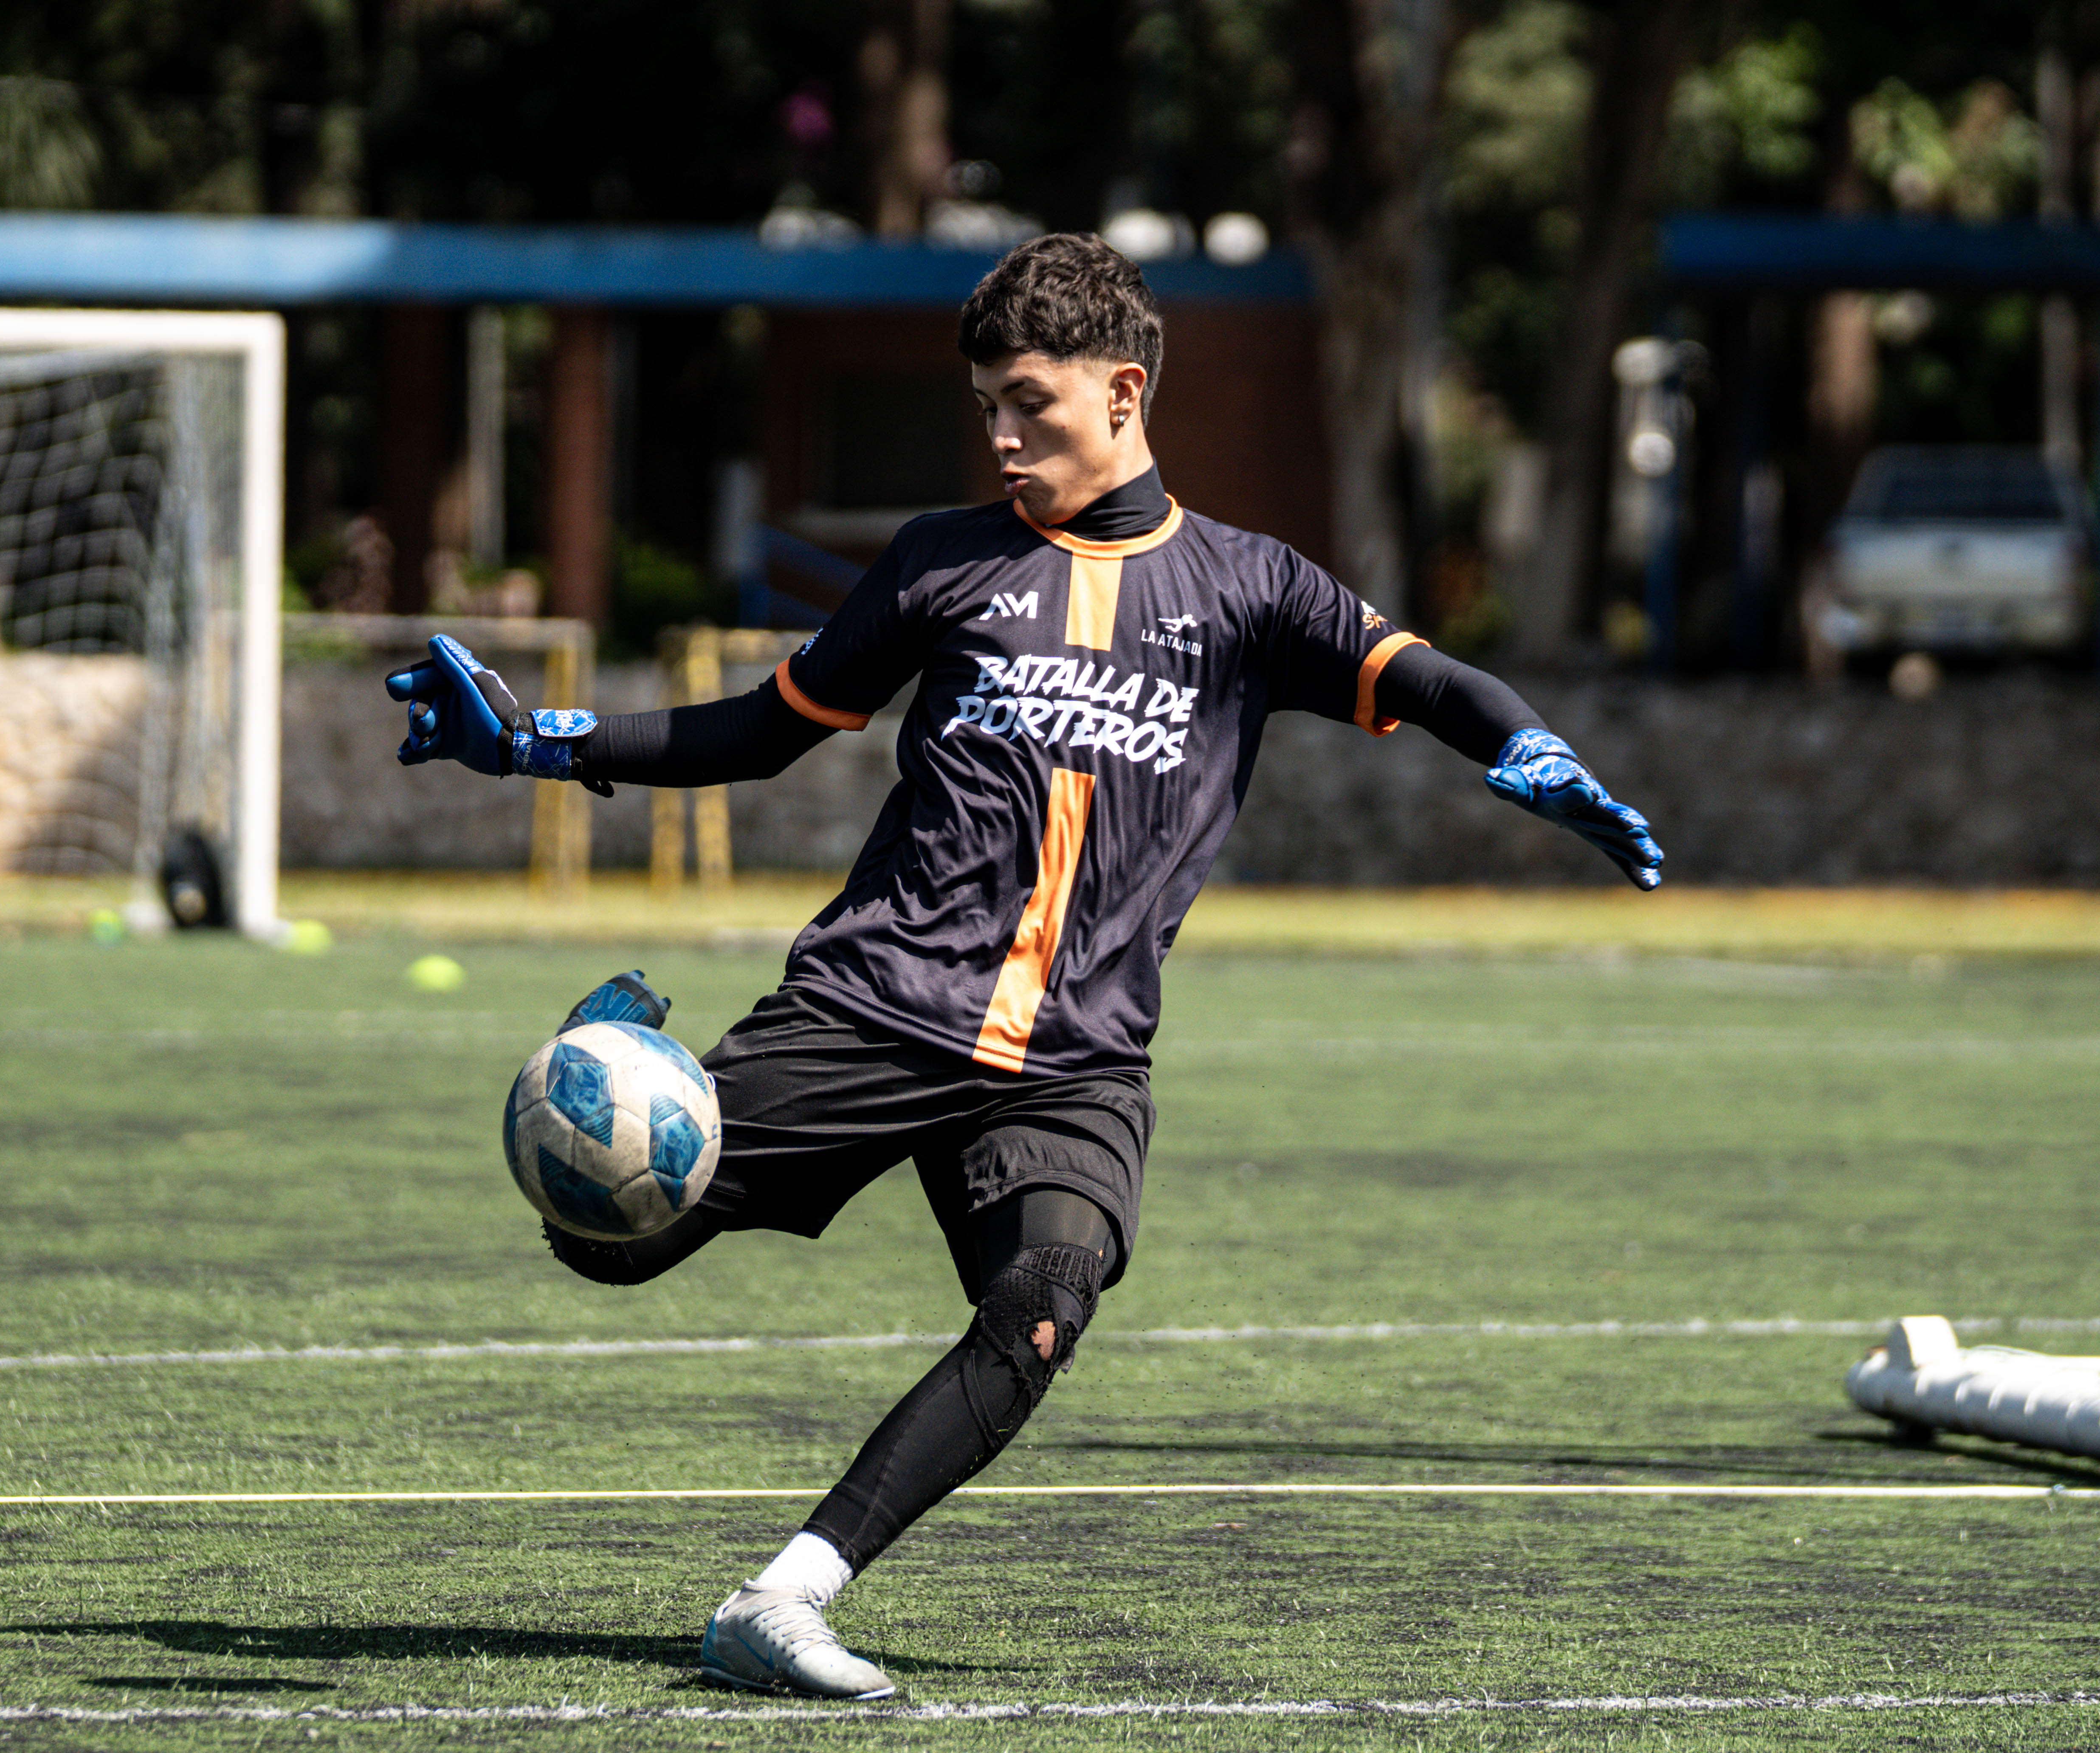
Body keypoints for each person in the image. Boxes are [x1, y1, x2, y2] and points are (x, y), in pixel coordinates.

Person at [385, 232, 1663, 1701]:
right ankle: (613, 1070)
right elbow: (761, 729)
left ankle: (782, 1603)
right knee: (608, 1237)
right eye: (986, 404)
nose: (1000, 435)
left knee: (1047, 1295)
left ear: (1125, 393)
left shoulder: (1250, 589)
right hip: (875, 1006)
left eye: (1031, 404)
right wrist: (544, 742)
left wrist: (1527, 745)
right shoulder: (942, 562)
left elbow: (1430, 677)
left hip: (1072, 1063)